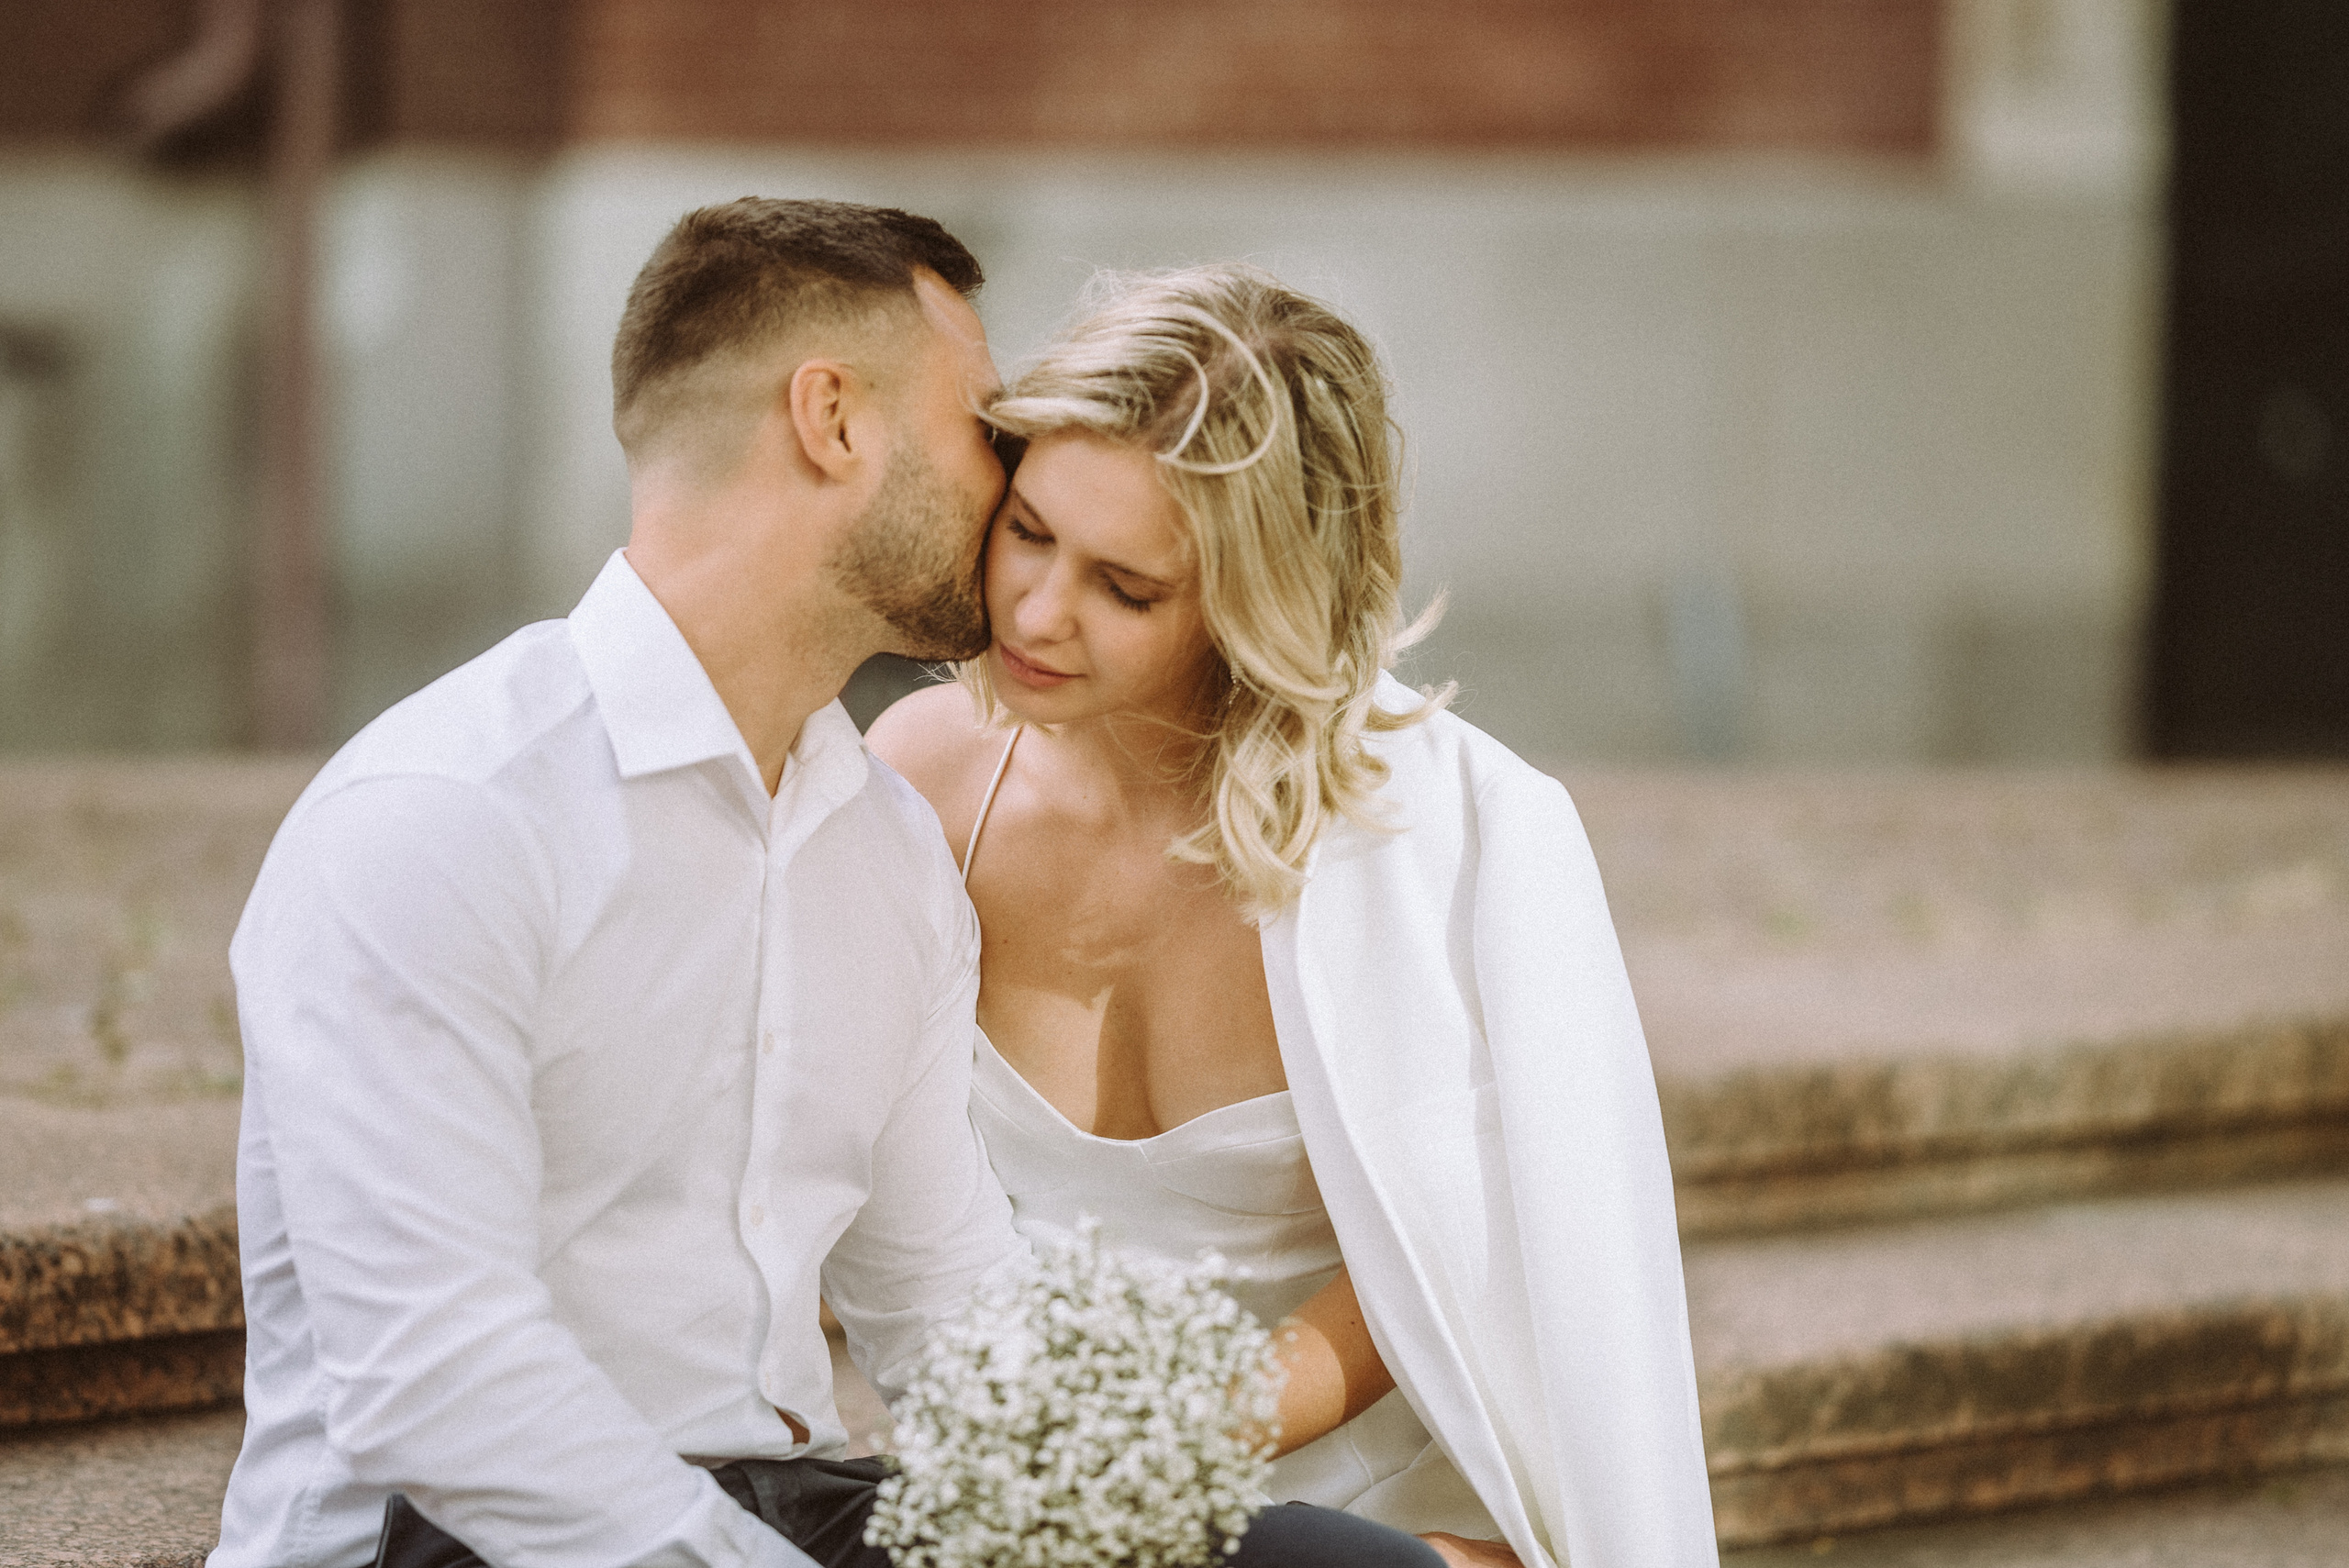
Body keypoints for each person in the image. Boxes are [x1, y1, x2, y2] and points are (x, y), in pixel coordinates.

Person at [212, 200, 1449, 1568]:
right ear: (835, 421)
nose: (1008, 476)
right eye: (981, 424)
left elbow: (952, 1323)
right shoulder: (446, 816)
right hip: (442, 1538)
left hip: (791, 1508)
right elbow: (434, 1383)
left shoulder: (883, 850)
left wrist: (1180, 1507)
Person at [868, 265, 1720, 1568]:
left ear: (1249, 603)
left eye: (1127, 587)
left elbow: (1464, 1250)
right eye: (1030, 529)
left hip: (1357, 1503)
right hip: (1010, 1476)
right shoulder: (921, 776)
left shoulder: (1444, 835)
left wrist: (1168, 1439)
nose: (1037, 612)